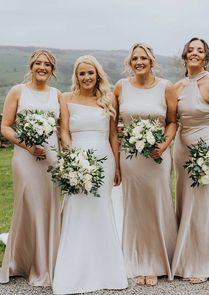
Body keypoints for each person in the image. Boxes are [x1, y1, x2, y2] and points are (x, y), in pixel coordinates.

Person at [52, 55, 128, 294]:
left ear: (98, 75)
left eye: (90, 73)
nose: (86, 77)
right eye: (82, 73)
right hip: (78, 160)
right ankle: (74, 270)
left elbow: (113, 136)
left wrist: (116, 166)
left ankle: (106, 269)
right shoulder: (65, 98)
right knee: (76, 209)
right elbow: (63, 131)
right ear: (76, 76)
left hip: (103, 161)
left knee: (99, 208)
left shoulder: (107, 100)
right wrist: (73, 158)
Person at [113, 43, 178, 285]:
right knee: (135, 207)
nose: (139, 62)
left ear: (151, 61)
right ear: (130, 62)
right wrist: (117, 164)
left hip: (157, 157)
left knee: (157, 203)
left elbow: (172, 122)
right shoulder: (120, 87)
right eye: (134, 58)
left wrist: (164, 145)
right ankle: (138, 260)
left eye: (143, 58)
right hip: (130, 159)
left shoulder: (166, 87)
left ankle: (159, 260)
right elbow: (112, 126)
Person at [171, 37, 209, 283]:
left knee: (202, 207)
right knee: (184, 204)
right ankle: (183, 258)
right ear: (184, 55)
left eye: (200, 51)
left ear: (205, 58)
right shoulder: (177, 87)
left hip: (205, 152)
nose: (195, 53)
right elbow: (171, 122)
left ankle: (204, 263)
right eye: (190, 50)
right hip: (181, 152)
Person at [0, 49, 61, 286]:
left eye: (47, 64)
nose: (42, 67)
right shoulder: (18, 91)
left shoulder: (57, 95)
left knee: (48, 206)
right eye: (38, 63)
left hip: (51, 159)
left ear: (52, 69)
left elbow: (63, 129)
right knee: (28, 204)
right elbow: (5, 126)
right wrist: (27, 145)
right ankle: (22, 261)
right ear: (31, 66)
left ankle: (46, 263)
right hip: (25, 158)